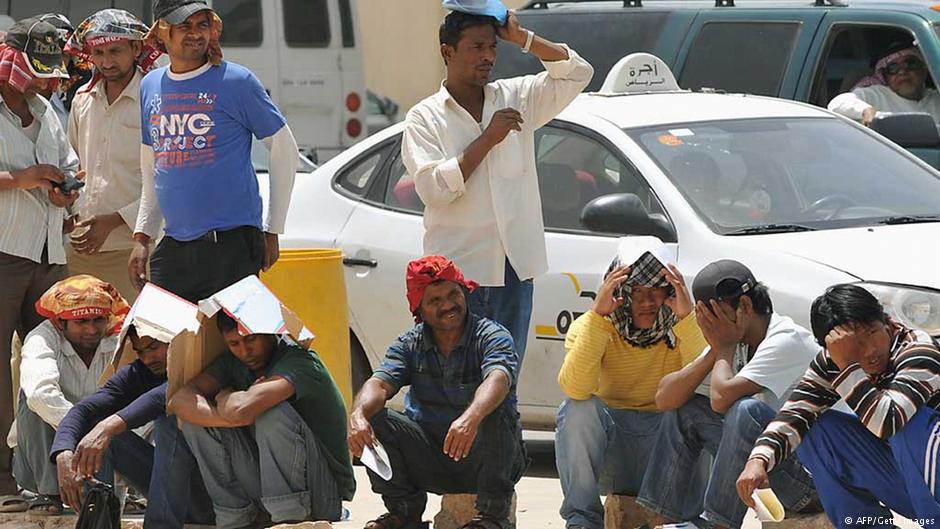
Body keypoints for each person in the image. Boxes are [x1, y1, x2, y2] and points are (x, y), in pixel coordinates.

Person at [400, 6, 593, 365]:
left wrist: (523, 39)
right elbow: (434, 190)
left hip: (514, 271)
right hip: (456, 279)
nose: (488, 56)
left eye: (492, 47)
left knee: (504, 382)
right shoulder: (424, 118)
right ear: (447, 52)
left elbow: (578, 73)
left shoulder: (515, 96)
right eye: (476, 47)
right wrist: (487, 139)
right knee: (453, 382)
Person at [130, 0, 299, 302]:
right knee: (167, 345)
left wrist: (273, 230)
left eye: (203, 24)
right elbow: (152, 168)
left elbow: (283, 148)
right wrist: (143, 236)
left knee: (234, 347)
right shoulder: (150, 85)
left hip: (231, 245)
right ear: (162, 32)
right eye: (185, 26)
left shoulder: (237, 81)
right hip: (174, 247)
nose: (195, 34)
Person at [738, 284, 940, 529]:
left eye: (872, 332)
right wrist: (757, 461)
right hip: (910, 484)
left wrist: (847, 365)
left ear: (886, 321)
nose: (869, 351)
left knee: (908, 425)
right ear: (832, 347)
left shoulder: (917, 350)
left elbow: (889, 421)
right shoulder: (833, 361)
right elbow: (795, 413)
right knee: (815, 429)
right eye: (854, 343)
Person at [636, 260, 819, 529]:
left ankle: (716, 524)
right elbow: (665, 398)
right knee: (687, 410)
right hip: (769, 465)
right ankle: (661, 521)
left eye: (715, 317)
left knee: (746, 412)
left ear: (744, 306)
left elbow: (722, 399)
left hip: (811, 482)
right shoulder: (736, 338)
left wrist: (723, 346)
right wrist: (715, 350)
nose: (710, 326)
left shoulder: (786, 339)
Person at [347, 255, 526, 529]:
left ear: (464, 292)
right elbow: (379, 383)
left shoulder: (491, 334)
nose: (448, 305)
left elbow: (498, 377)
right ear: (419, 307)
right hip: (432, 457)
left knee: (495, 408)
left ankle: (492, 518)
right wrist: (358, 415)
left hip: (486, 461)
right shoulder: (409, 343)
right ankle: (404, 514)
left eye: (453, 294)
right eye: (435, 301)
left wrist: (471, 417)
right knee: (373, 418)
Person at [554, 249, 706, 529]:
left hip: (665, 455)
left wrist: (687, 318)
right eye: (635, 291)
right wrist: (598, 316)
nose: (647, 301)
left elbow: (709, 385)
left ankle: (690, 522)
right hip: (612, 456)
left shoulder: (684, 328)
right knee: (577, 409)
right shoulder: (589, 326)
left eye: (655, 291)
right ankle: (582, 521)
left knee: (703, 410)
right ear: (617, 292)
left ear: (669, 292)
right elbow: (575, 388)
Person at [170, 311, 355, 528]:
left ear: (269, 331)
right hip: (266, 490)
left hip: (321, 494)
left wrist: (223, 396)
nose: (245, 351)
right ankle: (236, 520)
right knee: (196, 422)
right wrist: (233, 417)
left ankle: (289, 520)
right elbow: (179, 401)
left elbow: (243, 410)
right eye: (234, 343)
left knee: (270, 413)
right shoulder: (232, 363)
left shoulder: (300, 361)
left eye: (251, 339)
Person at [0, 16, 80, 494]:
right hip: (4, 252)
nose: (46, 80)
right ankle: (3, 475)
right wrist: (22, 179)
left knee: (52, 362)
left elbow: (68, 163)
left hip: (50, 253)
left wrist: (66, 190)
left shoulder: (47, 109)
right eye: (38, 70)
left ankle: (45, 473)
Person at [50, 294, 213, 528]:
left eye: (153, 347)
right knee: (94, 428)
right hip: (174, 492)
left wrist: (108, 427)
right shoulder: (141, 371)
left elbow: (164, 397)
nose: (147, 358)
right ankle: (99, 522)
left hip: (217, 495)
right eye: (140, 351)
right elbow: (84, 410)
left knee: (170, 418)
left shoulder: (203, 363)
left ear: (175, 339)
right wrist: (64, 453)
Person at [5, 275, 129, 515]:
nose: (92, 329)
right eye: (81, 321)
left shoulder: (118, 340)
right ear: (61, 323)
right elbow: (40, 395)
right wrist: (75, 439)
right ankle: (46, 493)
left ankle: (116, 490)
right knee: (31, 400)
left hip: (101, 452)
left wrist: (95, 437)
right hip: (45, 455)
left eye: (98, 320)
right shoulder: (42, 337)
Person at [64, 10, 160, 303]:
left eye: (115, 51)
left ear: (136, 48)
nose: (106, 62)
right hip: (80, 248)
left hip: (135, 248)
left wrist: (115, 220)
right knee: (82, 338)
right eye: (99, 52)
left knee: (135, 340)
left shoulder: (156, 98)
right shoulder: (82, 98)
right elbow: (74, 167)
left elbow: (166, 178)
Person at [828, 42, 940, 126]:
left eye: (910, 64)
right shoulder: (876, 95)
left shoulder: (935, 98)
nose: (902, 72)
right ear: (885, 76)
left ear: (924, 70)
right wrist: (865, 111)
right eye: (893, 68)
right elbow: (837, 103)